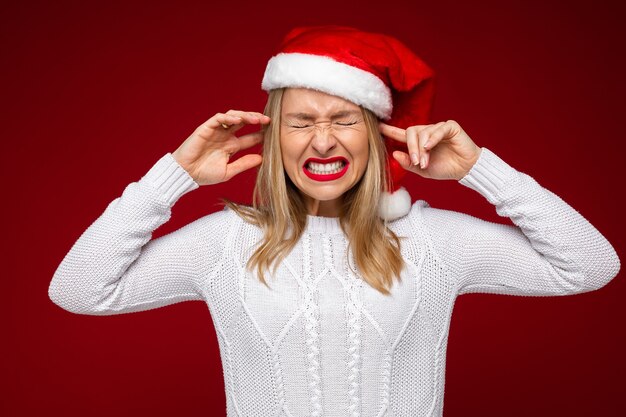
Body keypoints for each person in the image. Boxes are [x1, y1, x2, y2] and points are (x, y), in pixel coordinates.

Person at [48, 25, 620, 416]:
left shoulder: (433, 240)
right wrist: (172, 176)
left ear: (375, 134)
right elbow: (80, 289)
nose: (322, 139)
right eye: (301, 122)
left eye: (343, 119)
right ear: (275, 137)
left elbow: (589, 266)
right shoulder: (227, 242)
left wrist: (479, 170)